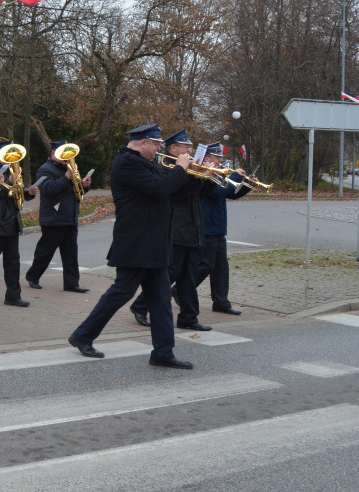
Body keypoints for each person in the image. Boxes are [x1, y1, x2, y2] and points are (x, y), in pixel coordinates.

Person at [68, 124, 194, 369]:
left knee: (160, 299)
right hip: (137, 243)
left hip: (154, 244)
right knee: (121, 292)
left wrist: (201, 177)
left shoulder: (146, 163)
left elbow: (173, 190)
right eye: (156, 143)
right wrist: (180, 167)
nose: (160, 148)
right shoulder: (127, 163)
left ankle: (163, 352)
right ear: (143, 142)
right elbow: (161, 188)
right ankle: (83, 335)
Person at [130, 129, 216, 331]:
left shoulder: (186, 168)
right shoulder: (165, 167)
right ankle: (140, 306)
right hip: (175, 228)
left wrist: (208, 178)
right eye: (184, 147)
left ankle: (188, 317)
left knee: (188, 275)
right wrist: (190, 174)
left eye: (189, 147)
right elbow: (174, 192)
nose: (188, 151)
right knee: (170, 273)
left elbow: (199, 194)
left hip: (191, 228)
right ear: (173, 148)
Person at [24, 140, 92, 293]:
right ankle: (33, 276)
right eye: (62, 154)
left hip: (70, 217)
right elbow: (48, 189)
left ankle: (72, 283)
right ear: (53, 153)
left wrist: (84, 186)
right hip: (53, 218)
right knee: (45, 252)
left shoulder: (69, 168)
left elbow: (76, 191)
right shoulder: (45, 169)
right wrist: (66, 177)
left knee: (71, 254)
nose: (66, 158)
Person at [195, 143, 252, 315]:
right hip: (206, 226)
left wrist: (247, 184)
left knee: (221, 267)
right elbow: (217, 193)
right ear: (207, 158)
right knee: (206, 265)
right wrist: (234, 176)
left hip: (218, 226)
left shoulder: (217, 174)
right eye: (217, 157)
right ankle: (180, 290)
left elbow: (230, 194)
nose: (221, 160)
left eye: (220, 157)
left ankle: (221, 301)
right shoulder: (203, 174)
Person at [0, 140, 38, 308]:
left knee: (13, 262)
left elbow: (17, 193)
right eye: (6, 153)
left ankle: (13, 296)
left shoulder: (12, 168)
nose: (11, 157)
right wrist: (10, 184)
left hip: (11, 222)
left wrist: (29, 192)